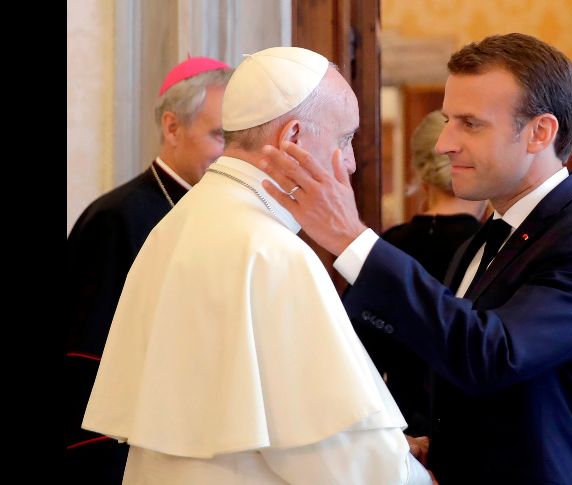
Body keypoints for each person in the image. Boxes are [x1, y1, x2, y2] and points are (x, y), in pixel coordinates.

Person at [260, 33, 572, 484]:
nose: (444, 143)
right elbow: (461, 367)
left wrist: (350, 237)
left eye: (470, 123)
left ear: (540, 132)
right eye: (448, 120)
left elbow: (493, 355)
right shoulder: (488, 235)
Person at [82, 46, 433, 485]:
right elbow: (331, 452)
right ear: (294, 138)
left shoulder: (173, 225)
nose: (351, 162)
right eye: (345, 139)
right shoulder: (273, 251)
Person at [65, 56, 232, 483]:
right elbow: (84, 359)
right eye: (219, 136)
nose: (230, 155)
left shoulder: (224, 214)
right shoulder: (115, 218)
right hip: (126, 455)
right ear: (172, 128)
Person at [361, 110, 487, 440]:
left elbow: (356, 351)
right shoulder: (494, 251)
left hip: (396, 434)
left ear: (419, 169)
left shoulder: (388, 246)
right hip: (471, 436)